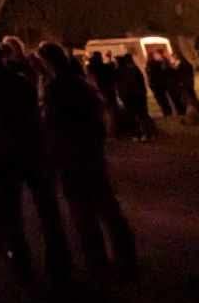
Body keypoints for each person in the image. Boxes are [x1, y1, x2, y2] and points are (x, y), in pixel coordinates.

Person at [0, 46, 72, 285]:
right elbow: (33, 113)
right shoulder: (21, 82)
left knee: (12, 212)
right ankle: (59, 260)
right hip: (31, 150)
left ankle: (22, 264)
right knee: (47, 210)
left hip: (6, 156)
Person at [39, 44, 138, 278]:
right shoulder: (81, 84)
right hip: (90, 153)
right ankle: (124, 255)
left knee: (84, 212)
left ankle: (98, 260)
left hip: (72, 156)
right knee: (106, 206)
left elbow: (53, 125)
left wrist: (53, 152)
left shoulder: (57, 88)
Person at [114, 54, 156, 139]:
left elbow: (119, 86)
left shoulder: (118, 71)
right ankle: (147, 133)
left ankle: (138, 134)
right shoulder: (134, 69)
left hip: (129, 96)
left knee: (133, 116)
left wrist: (121, 96)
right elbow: (141, 82)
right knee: (142, 115)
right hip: (138, 95)